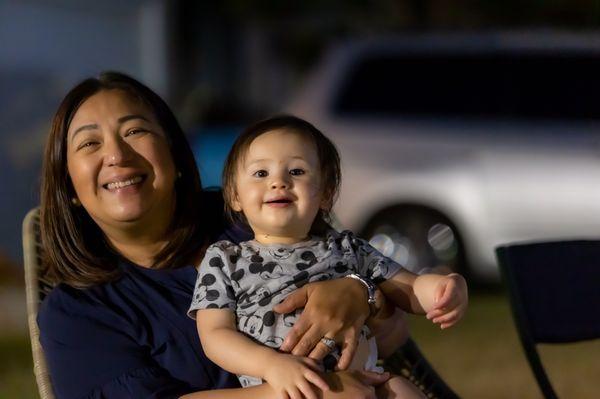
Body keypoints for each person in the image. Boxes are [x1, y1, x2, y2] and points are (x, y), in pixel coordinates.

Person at [37, 72, 406, 398]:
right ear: (68, 184)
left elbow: (394, 336)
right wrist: (309, 393)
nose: (116, 154)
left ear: (175, 154)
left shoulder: (255, 212)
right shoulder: (78, 312)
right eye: (89, 143)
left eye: (135, 131)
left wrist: (361, 292)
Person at [189, 116, 469, 399]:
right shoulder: (225, 259)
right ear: (235, 195)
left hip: (363, 380)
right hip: (285, 388)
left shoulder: (347, 248)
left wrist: (444, 289)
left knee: (402, 391)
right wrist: (272, 365)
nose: (279, 182)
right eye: (261, 173)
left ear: (326, 192)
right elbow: (215, 335)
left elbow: (407, 286)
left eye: (297, 171)